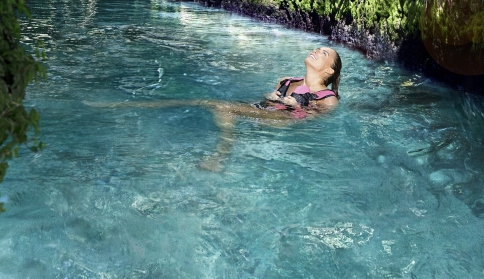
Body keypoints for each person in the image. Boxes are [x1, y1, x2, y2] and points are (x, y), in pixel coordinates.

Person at [85, 45, 342, 170]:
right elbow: (266, 99)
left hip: (283, 121)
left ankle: (220, 156)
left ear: (329, 71)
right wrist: (275, 97)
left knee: (222, 106)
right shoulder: (287, 80)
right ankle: (124, 104)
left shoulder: (328, 97)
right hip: (266, 112)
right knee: (204, 101)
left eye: (323, 53)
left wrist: (296, 106)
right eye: (316, 49)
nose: (316, 51)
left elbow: (314, 119)